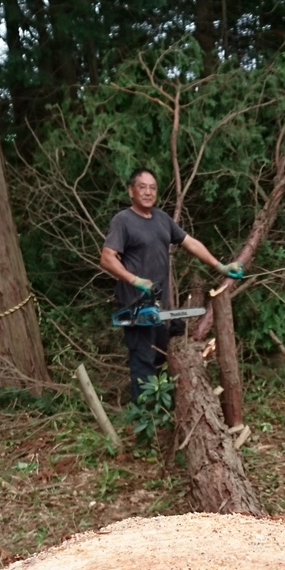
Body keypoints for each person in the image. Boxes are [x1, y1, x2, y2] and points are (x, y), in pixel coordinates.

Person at [100, 167, 241, 402]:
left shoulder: (162, 219)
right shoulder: (123, 221)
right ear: (131, 191)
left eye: (152, 188)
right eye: (142, 187)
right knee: (143, 360)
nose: (147, 192)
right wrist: (134, 279)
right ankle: (145, 418)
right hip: (136, 304)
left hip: (159, 304)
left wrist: (220, 266)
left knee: (161, 358)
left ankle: (162, 409)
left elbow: (190, 243)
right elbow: (106, 257)